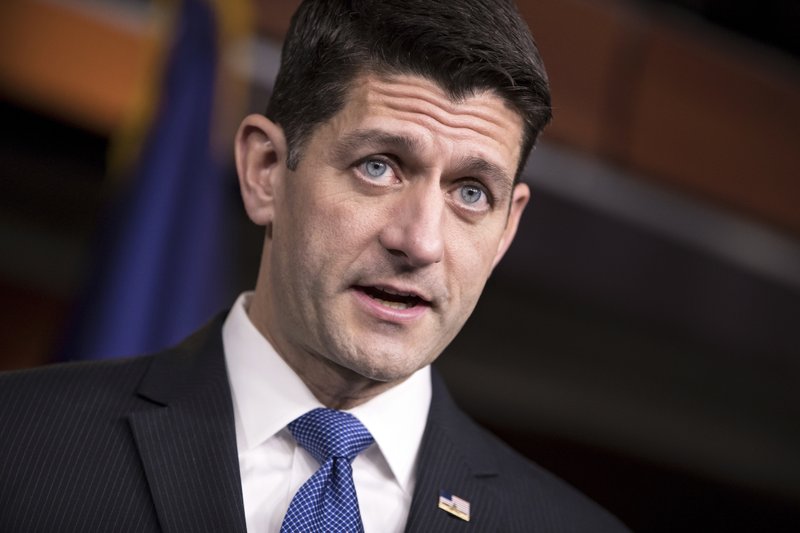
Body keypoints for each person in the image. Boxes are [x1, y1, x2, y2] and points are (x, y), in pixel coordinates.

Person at [0, 0, 630, 531]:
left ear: (506, 230)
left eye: (471, 192)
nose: (420, 242)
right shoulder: (21, 446)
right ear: (266, 172)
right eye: (378, 166)